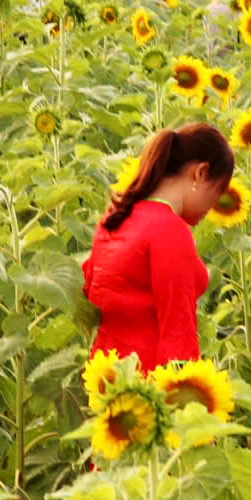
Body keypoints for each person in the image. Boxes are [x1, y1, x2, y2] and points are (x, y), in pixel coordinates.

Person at [81, 123, 235, 372]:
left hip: (106, 376)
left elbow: (90, 286)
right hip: (149, 381)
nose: (215, 204)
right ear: (200, 173)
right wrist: (185, 397)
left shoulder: (115, 216)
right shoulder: (169, 229)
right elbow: (178, 335)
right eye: (219, 191)